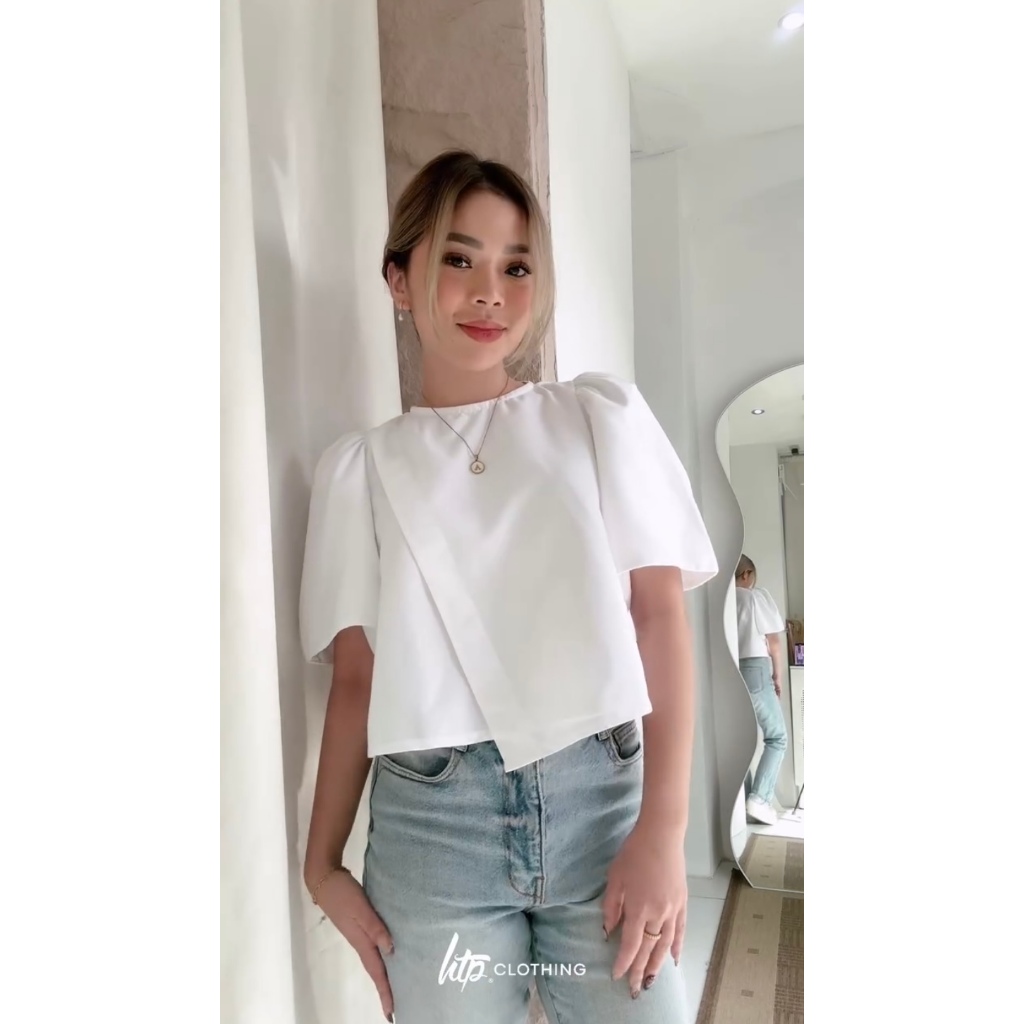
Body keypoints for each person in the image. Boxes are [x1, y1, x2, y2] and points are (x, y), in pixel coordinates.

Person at [297, 150, 718, 1024]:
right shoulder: (361, 469)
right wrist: (321, 864)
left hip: (602, 809)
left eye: (516, 267)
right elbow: (357, 680)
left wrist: (665, 829)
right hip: (433, 833)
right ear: (399, 280)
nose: (490, 292)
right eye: (459, 258)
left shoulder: (594, 419)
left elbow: (657, 615)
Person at [733, 554, 789, 826]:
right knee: (777, 737)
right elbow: (774, 643)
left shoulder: (723, 600)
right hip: (756, 668)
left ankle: (743, 801)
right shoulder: (755, 597)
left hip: (731, 671)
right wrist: (777, 676)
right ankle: (759, 799)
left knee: (740, 740)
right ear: (746, 574)